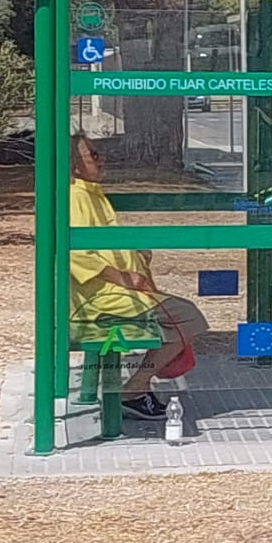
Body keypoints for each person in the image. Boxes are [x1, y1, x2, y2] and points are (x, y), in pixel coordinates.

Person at [69, 134, 210, 420]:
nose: (101, 159)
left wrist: (134, 253)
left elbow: (104, 240)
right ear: (74, 166)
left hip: (113, 293)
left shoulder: (90, 193)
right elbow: (77, 253)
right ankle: (134, 389)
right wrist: (123, 277)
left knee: (179, 318)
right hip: (100, 298)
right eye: (93, 156)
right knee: (188, 317)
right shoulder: (76, 198)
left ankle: (136, 388)